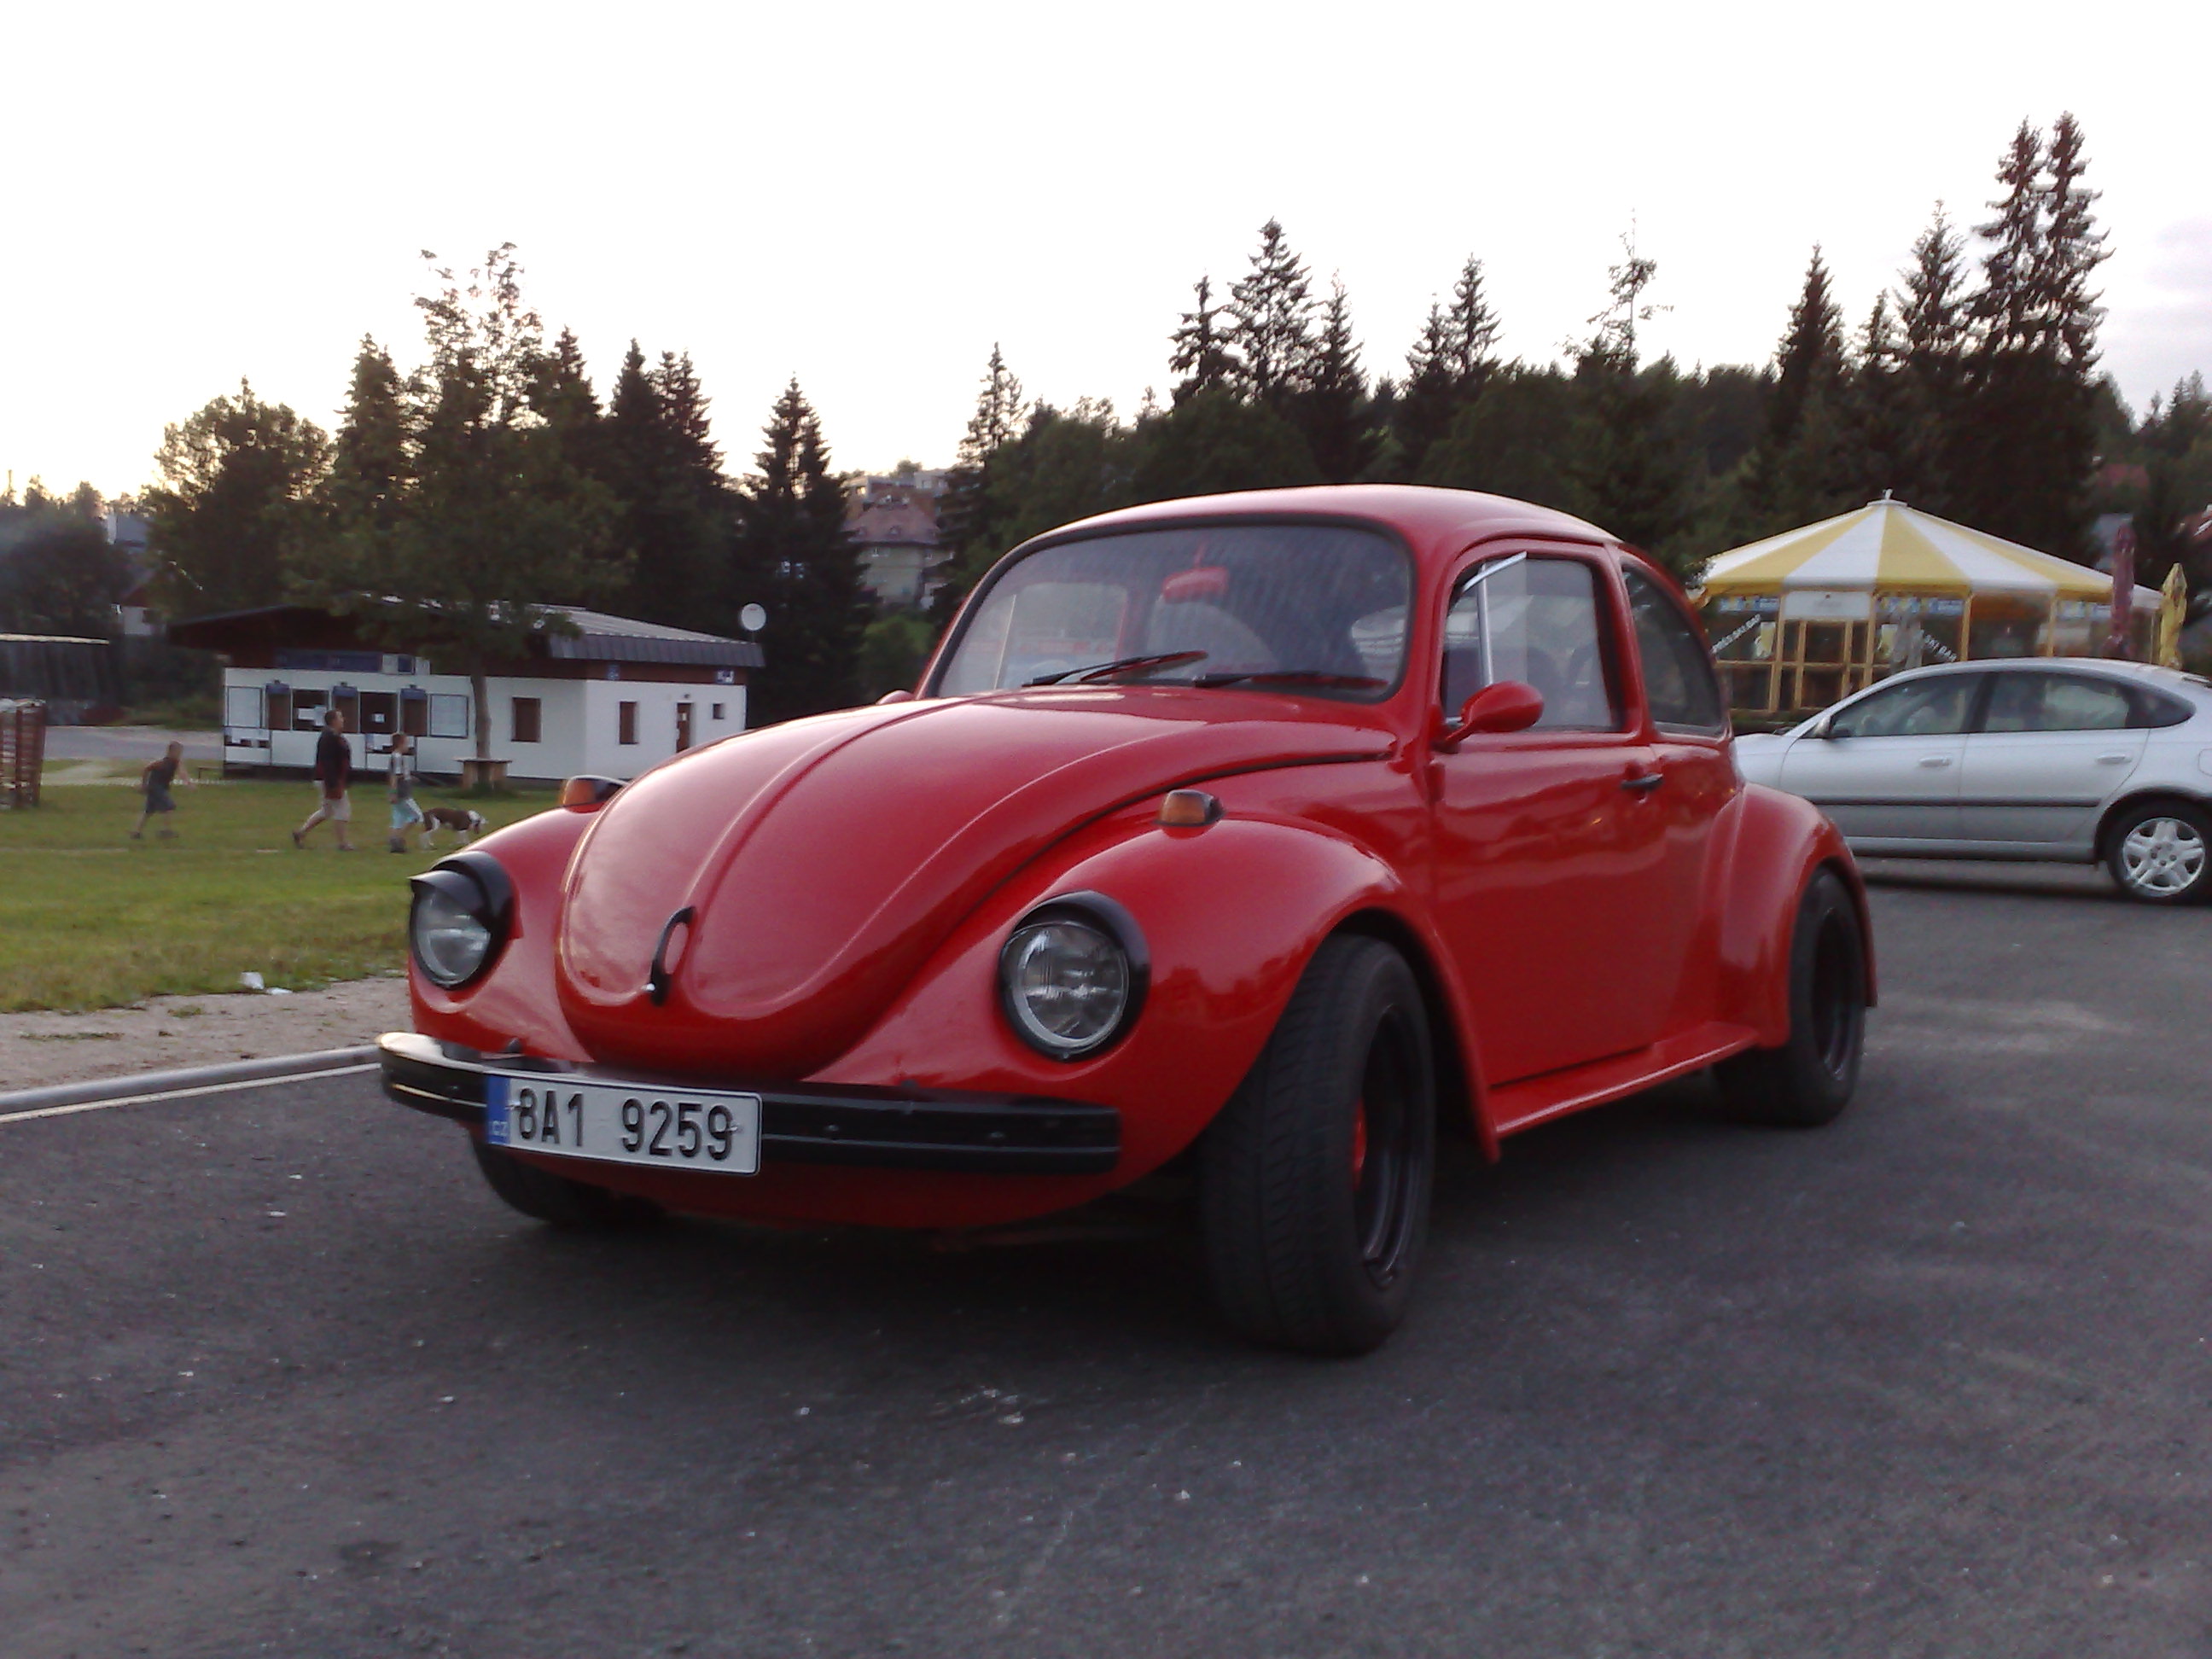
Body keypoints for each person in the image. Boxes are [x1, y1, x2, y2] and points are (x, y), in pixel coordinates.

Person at [293, 708, 355, 851]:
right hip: (329, 780)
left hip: (328, 779)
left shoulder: (334, 736)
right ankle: (343, 843)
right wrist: (333, 783)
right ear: (333, 721)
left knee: (326, 811)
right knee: (342, 809)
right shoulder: (329, 737)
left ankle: (300, 833)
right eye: (340, 717)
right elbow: (327, 762)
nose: (343, 720)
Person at [131, 741, 195, 840]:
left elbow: (183, 773)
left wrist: (189, 783)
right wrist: (143, 785)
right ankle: (165, 831)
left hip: (161, 788)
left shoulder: (176, 762)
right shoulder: (161, 763)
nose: (179, 754)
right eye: (178, 752)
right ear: (171, 752)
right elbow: (146, 769)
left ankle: (136, 832)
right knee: (169, 807)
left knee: (148, 811)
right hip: (156, 788)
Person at [387, 731, 424, 853]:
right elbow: (394, 776)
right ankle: (397, 840)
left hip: (400, 792)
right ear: (400, 744)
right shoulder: (398, 757)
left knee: (398, 819)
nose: (408, 746)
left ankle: (394, 841)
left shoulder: (396, 756)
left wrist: (410, 777)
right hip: (402, 794)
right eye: (406, 743)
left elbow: (399, 774)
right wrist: (393, 792)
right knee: (416, 815)